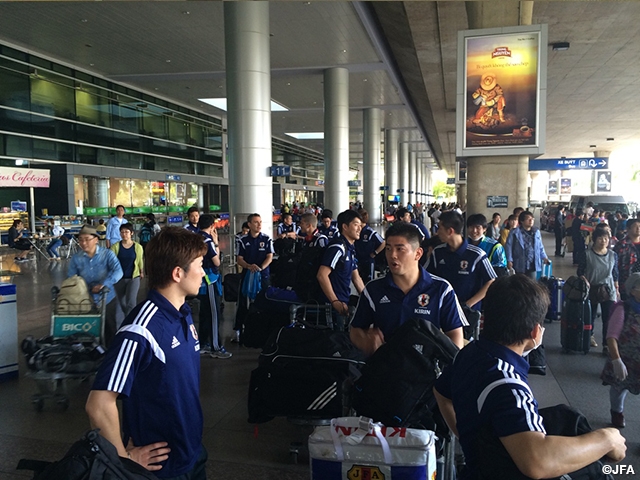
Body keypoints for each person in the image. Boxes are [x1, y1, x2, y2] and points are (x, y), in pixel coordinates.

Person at [434, 275, 626, 480]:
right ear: (535, 331)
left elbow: (441, 393)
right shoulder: (508, 384)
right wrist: (607, 438)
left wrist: (469, 438)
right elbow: (537, 462)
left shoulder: (470, 354)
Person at [86, 227, 209, 479]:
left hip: (191, 451)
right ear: (178, 273)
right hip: (162, 468)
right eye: (199, 264)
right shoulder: (141, 329)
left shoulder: (183, 314)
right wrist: (123, 460)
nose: (203, 272)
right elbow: (98, 404)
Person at [351, 222, 465, 354]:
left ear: (418, 254)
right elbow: (355, 330)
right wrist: (369, 345)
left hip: (428, 370)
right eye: (388, 248)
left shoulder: (441, 290)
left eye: (400, 249)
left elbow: (455, 335)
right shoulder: (373, 289)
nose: (392, 255)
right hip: (385, 368)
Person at [426, 211, 496, 311]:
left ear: (450, 231)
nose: (437, 232)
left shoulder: (477, 255)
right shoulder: (437, 252)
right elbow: (425, 277)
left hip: (468, 312)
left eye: (440, 228)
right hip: (443, 309)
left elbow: (491, 281)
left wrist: (468, 304)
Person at [602, 272, 640, 429]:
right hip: (623, 359)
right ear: (632, 291)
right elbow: (611, 337)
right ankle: (617, 412)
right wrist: (617, 360)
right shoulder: (622, 309)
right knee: (619, 389)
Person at [317, 209, 366, 330]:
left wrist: (369, 300)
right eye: (356, 225)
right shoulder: (338, 248)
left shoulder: (349, 249)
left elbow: (356, 278)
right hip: (332, 307)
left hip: (343, 304)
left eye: (360, 225)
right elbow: (322, 275)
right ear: (345, 226)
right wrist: (335, 302)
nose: (359, 228)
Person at [578, 228, 619, 351]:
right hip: (592, 288)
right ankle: (590, 336)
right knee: (591, 315)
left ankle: (607, 344)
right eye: (600, 238)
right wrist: (584, 280)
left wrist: (617, 288)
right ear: (594, 239)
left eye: (606, 238)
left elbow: (615, 273)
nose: (603, 241)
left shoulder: (613, 255)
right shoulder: (587, 254)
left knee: (608, 318)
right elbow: (580, 271)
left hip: (608, 289)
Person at [234, 214, 274, 338]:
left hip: (263, 275)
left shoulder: (266, 239)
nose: (259, 224)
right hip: (247, 275)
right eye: (256, 222)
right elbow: (239, 259)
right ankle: (239, 328)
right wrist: (248, 266)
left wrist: (261, 267)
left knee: (265, 300)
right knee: (243, 301)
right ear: (249, 224)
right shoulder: (243, 240)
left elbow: (270, 257)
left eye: (260, 222)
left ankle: (265, 328)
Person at [197, 214, 230, 359]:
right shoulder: (207, 240)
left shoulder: (195, 237)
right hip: (210, 279)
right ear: (211, 226)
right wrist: (216, 243)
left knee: (204, 312)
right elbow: (216, 262)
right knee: (214, 313)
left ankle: (203, 343)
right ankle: (215, 346)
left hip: (200, 279)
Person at [68, 225, 123, 307]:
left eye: (87, 239)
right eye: (80, 239)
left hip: (108, 299)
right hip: (85, 301)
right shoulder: (76, 258)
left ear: (96, 240)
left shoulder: (107, 254)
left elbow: (118, 271)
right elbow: (71, 277)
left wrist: (104, 284)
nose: (83, 243)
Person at [110, 223, 144, 330]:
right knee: (121, 302)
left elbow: (140, 261)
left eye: (127, 232)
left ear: (131, 233)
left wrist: (142, 271)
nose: (124, 234)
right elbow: (111, 262)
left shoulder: (138, 247)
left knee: (131, 302)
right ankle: (128, 319)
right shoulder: (115, 247)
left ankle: (131, 325)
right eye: (122, 232)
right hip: (119, 278)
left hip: (134, 277)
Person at [505, 210, 550, 279]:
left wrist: (544, 257)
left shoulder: (536, 232)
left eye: (532, 219)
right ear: (522, 221)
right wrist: (509, 260)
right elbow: (508, 246)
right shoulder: (514, 233)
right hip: (519, 262)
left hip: (532, 263)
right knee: (519, 283)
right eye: (528, 219)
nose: (531, 221)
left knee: (531, 284)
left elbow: (540, 246)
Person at [354, 208, 385, 284]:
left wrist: (375, 253)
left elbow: (383, 242)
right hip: (358, 260)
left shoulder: (370, 232)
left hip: (368, 261)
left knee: (369, 282)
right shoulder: (356, 231)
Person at [614, 218, 640, 300]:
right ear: (628, 229)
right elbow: (615, 266)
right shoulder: (621, 245)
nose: (638, 229)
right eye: (635, 227)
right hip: (627, 283)